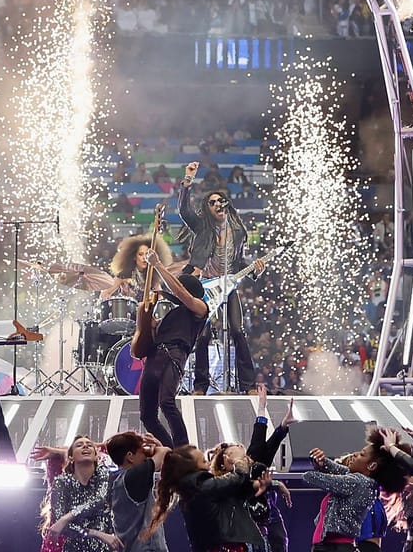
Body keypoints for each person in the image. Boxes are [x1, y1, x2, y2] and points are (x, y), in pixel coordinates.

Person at [176, 175, 257, 393]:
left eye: (219, 200)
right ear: (208, 209)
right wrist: (187, 183)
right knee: (202, 335)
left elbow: (239, 260)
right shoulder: (203, 228)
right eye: (211, 202)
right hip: (206, 287)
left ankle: (248, 385)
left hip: (228, 287)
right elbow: (185, 212)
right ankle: (200, 385)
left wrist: (255, 269)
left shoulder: (238, 232)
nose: (217, 204)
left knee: (238, 332)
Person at [139, 257, 210, 448]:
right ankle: (170, 449)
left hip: (174, 354)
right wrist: (151, 324)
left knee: (166, 402)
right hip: (155, 356)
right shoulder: (171, 314)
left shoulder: (200, 308)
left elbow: (182, 294)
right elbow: (153, 338)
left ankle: (183, 449)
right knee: (147, 415)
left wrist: (158, 265)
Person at [143, 443, 268, 552]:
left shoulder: (193, 489)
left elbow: (231, 492)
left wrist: (258, 485)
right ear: (191, 468)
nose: (208, 464)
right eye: (203, 461)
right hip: (224, 547)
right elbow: (237, 478)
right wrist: (239, 461)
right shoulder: (202, 487)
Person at [304, 438, 387, 550]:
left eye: (361, 455)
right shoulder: (362, 483)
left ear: (371, 466)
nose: (355, 454)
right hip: (329, 546)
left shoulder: (358, 482)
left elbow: (311, 477)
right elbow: (340, 470)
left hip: (335, 547)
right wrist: (322, 463)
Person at [41, 436, 117, 552]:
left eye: (89, 445)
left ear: (96, 456)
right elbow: (60, 526)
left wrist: (67, 517)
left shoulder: (103, 474)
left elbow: (99, 500)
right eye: (79, 445)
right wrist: (96, 534)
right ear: (70, 457)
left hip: (103, 548)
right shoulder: (62, 482)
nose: (85, 446)